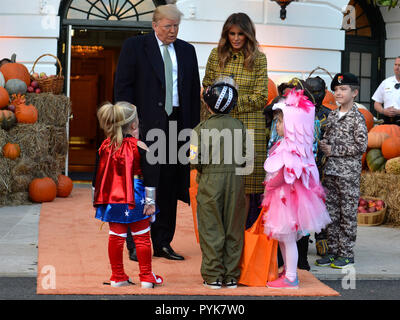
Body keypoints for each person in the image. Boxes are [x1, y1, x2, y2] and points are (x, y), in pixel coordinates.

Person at [114, 4, 201, 261]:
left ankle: (163, 242)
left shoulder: (187, 51)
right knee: (142, 184)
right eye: (167, 26)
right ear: (154, 25)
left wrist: (192, 133)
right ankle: (135, 243)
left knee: (169, 185)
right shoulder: (135, 47)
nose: (172, 31)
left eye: (176, 26)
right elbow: (123, 88)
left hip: (177, 127)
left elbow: (193, 93)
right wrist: (129, 128)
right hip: (144, 127)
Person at [262, 89, 331, 289]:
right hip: (286, 200)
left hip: (287, 202)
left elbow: (286, 174)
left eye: (280, 121)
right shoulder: (291, 145)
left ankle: (291, 277)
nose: (277, 125)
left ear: (294, 125)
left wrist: (270, 184)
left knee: (288, 239)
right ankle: (288, 271)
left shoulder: (294, 150)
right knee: (284, 239)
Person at [202, 12, 268, 220]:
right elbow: (206, 86)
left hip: (249, 127)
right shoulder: (216, 55)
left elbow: (261, 97)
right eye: (232, 33)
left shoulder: (259, 59)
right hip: (218, 126)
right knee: (218, 183)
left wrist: (227, 103)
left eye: (241, 34)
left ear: (248, 35)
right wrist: (211, 99)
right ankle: (219, 235)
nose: (236, 38)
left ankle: (241, 238)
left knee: (245, 187)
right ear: (226, 34)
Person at [93, 102, 163, 288]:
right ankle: (147, 277)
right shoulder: (139, 146)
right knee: (141, 237)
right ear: (134, 125)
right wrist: (150, 202)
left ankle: (117, 276)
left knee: (115, 236)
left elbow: (96, 179)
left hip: (113, 199)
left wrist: (100, 199)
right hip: (137, 197)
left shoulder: (105, 147)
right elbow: (151, 176)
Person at [190, 77, 247, 289]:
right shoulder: (240, 126)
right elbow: (245, 156)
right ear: (233, 105)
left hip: (210, 182)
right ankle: (232, 276)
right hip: (235, 181)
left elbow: (194, 160)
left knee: (211, 228)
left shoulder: (200, 129)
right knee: (233, 226)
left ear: (207, 105)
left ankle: (213, 276)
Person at [316, 72, 368, 269]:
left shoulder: (357, 118)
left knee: (347, 215)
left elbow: (361, 146)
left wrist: (334, 150)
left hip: (348, 175)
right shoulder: (332, 115)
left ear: (354, 93)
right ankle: (332, 251)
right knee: (331, 214)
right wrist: (321, 144)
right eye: (336, 89)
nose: (338, 92)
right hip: (331, 172)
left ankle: (346, 254)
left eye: (343, 89)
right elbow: (327, 137)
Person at [372, 56, 400, 124]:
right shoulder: (386, 82)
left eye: (399, 65)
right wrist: (383, 111)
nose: (397, 67)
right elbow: (377, 103)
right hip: (387, 121)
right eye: (395, 64)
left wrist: (398, 112)